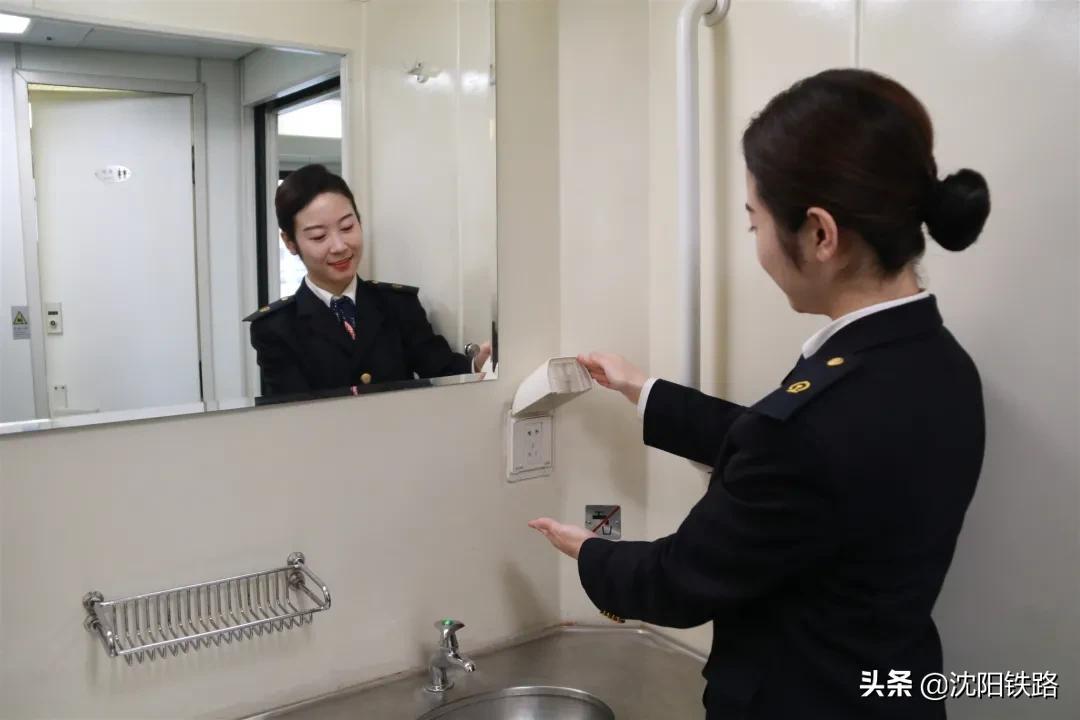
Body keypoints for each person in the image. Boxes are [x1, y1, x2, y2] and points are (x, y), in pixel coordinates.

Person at [529, 69, 990, 719]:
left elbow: (680, 581)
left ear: (820, 234)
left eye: (755, 224)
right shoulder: (940, 365)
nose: (758, 247)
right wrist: (643, 390)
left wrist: (590, 552)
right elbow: (810, 470)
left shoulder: (815, 425)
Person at [244, 164, 490, 397]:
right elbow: (288, 414)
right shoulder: (276, 328)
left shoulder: (398, 305)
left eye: (347, 227)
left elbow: (441, 370)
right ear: (290, 242)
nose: (340, 246)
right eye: (319, 237)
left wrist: (479, 363)